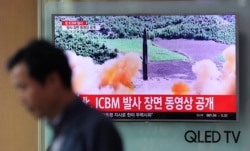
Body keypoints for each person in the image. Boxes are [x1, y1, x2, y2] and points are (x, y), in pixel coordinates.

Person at [6, 39, 123, 151]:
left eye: (23, 88)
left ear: (53, 81)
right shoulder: (61, 132)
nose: (21, 100)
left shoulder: (96, 129)